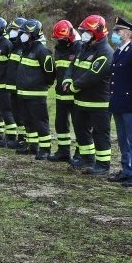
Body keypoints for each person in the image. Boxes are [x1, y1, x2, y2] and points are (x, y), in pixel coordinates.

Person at [61, 14, 113, 175]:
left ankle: (103, 164)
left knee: (100, 134)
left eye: (87, 32)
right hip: (81, 101)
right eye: (83, 31)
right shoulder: (84, 48)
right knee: (81, 131)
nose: (84, 34)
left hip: (99, 102)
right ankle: (87, 158)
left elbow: (93, 75)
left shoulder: (105, 52)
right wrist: (67, 80)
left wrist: (74, 87)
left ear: (97, 33)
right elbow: (72, 66)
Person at [108, 17, 132, 187]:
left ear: (128, 34)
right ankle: (126, 169)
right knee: (123, 139)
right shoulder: (118, 52)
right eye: (115, 31)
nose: (115, 34)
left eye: (118, 31)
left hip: (130, 103)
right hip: (118, 102)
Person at [15, 19, 56, 159]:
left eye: (26, 33)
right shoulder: (26, 49)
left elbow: (50, 73)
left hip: (36, 94)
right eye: (23, 32)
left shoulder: (42, 51)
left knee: (40, 122)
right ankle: (33, 146)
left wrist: (44, 85)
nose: (23, 35)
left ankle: (45, 149)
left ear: (34, 34)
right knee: (28, 121)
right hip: (23, 93)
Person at [48, 20, 80, 163]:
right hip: (61, 93)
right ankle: (63, 151)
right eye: (58, 38)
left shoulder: (79, 47)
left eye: (62, 38)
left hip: (75, 94)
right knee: (60, 123)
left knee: (80, 125)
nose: (60, 40)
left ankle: (80, 153)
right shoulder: (59, 48)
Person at [2, 17, 27, 149]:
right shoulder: (14, 47)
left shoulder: (25, 48)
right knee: (17, 115)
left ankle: (25, 139)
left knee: (23, 115)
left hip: (21, 89)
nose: (12, 32)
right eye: (11, 29)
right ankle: (21, 138)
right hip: (12, 88)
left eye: (15, 30)